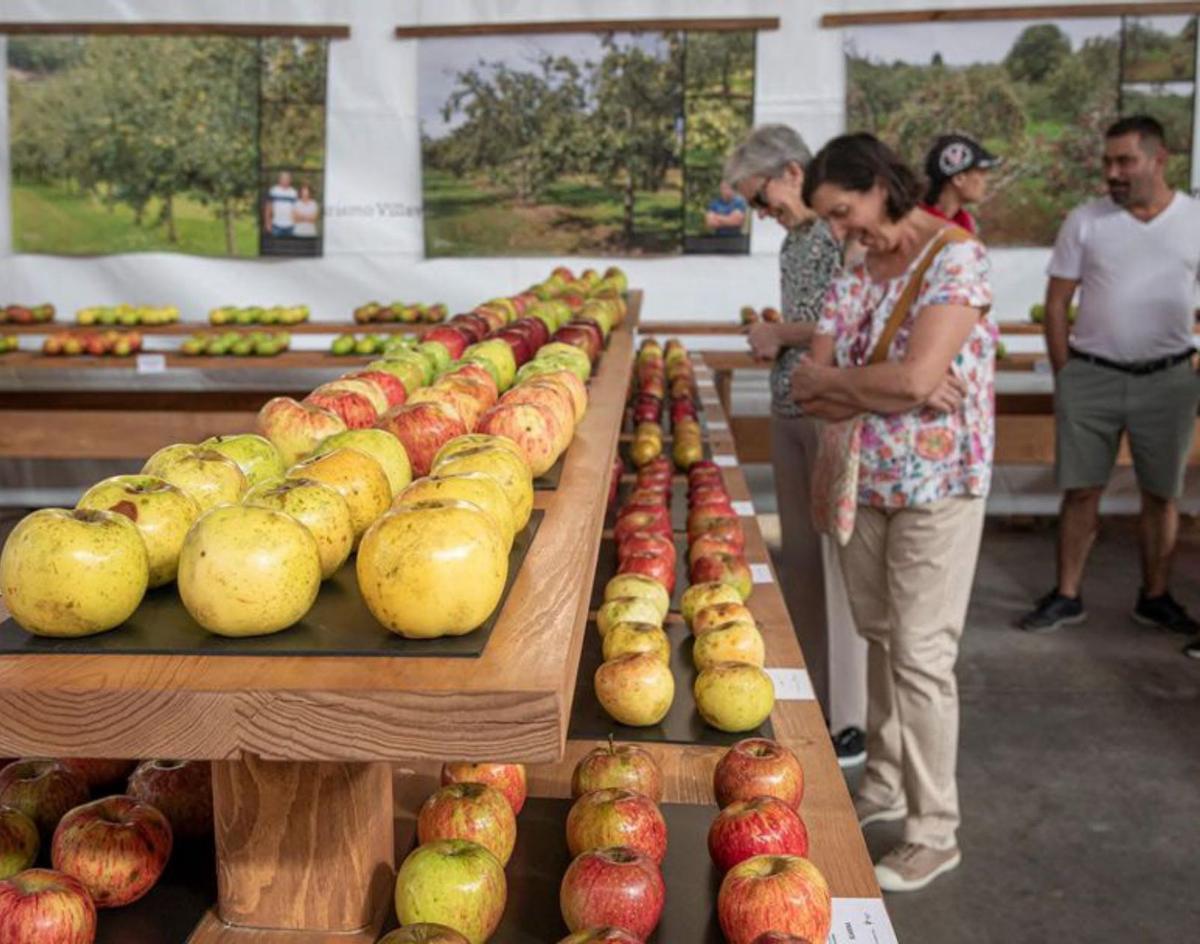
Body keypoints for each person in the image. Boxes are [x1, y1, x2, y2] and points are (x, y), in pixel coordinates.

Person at [793, 132, 995, 892]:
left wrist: (870, 380)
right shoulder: (853, 267)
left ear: (880, 184)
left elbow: (914, 382)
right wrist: (886, 383)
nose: (844, 231)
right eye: (832, 222)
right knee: (880, 634)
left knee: (919, 652)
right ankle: (881, 777)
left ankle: (934, 828)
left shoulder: (955, 259)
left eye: (846, 211)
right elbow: (809, 383)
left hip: (938, 485)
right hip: (864, 480)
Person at [1018, 115, 1200, 647]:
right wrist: (1064, 375)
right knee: (1080, 491)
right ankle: (1067, 594)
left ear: (1159, 159)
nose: (1113, 173)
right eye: (1107, 163)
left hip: (1168, 379)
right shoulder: (1087, 221)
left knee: (1162, 494)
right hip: (1091, 377)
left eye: (1125, 161)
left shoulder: (1193, 219)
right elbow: (1057, 303)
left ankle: (1156, 596)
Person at [724, 124, 868, 767]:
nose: (763, 214)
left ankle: (851, 720)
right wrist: (779, 332)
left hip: (827, 409)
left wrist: (780, 335)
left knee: (836, 568)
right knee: (802, 565)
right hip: (791, 405)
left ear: (790, 172)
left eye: (761, 199)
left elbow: (845, 322)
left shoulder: (838, 233)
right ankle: (815, 697)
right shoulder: (798, 240)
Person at [920, 133, 1001, 234]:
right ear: (958, 179)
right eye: (981, 173)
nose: (986, 180)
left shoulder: (964, 224)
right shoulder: (915, 225)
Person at [264, 171, 298, 238]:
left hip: (291, 227)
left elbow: (296, 210)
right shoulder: (273, 190)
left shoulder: (294, 192)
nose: (285, 180)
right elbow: (268, 208)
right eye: (283, 178)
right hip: (276, 226)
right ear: (279, 179)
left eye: (287, 178)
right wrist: (267, 223)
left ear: (290, 180)